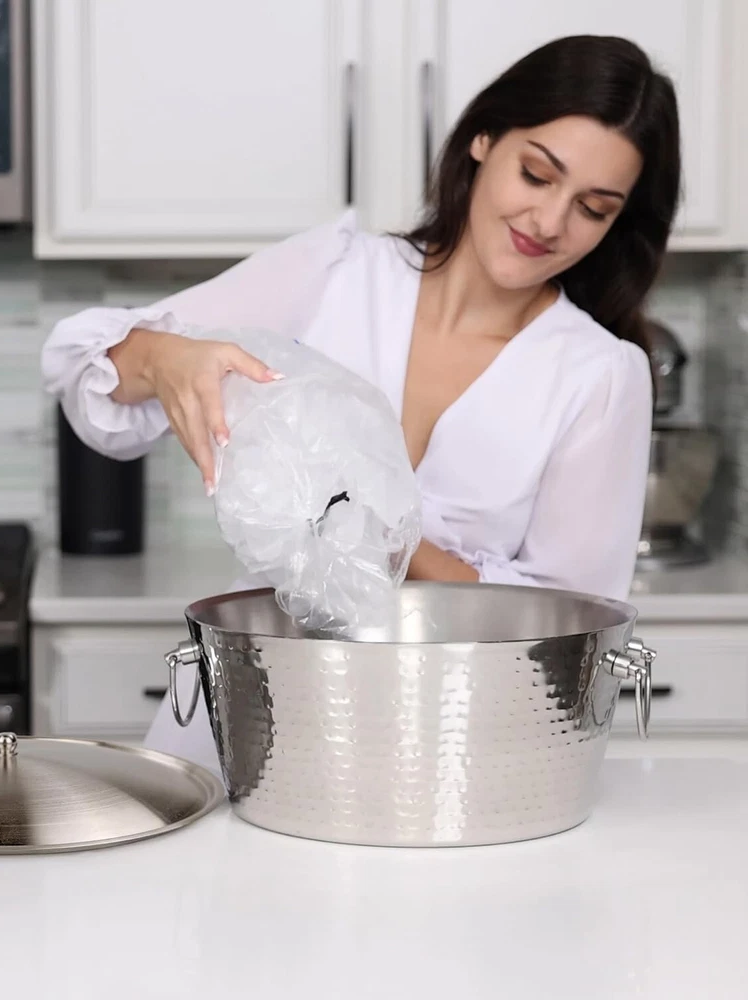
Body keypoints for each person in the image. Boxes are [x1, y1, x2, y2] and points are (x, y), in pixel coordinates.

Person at [42, 35, 681, 772]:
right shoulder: (337, 273)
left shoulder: (600, 375)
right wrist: (164, 358)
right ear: (483, 138)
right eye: (536, 174)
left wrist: (383, 540)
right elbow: (85, 366)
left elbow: (575, 627)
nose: (548, 221)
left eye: (592, 209)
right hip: (253, 713)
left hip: (447, 750)